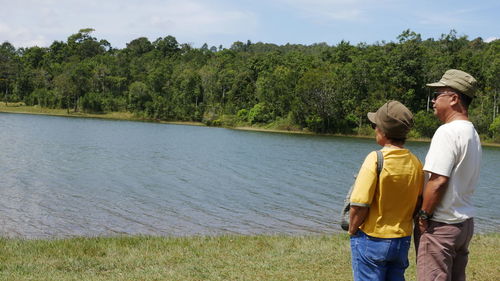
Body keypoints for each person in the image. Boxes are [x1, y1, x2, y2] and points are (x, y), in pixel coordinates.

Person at [416, 69, 482, 281]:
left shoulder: (447, 132)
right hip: (464, 224)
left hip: (442, 225)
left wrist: (424, 215)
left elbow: (438, 181)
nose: (433, 101)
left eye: (438, 95)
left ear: (454, 99)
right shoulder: (472, 132)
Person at [349, 100, 424, 281]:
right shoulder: (415, 162)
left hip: (373, 239)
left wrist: (352, 230)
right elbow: (418, 202)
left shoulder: (375, 158)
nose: (374, 129)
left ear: (383, 131)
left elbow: (359, 205)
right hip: (402, 240)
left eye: (375, 125)